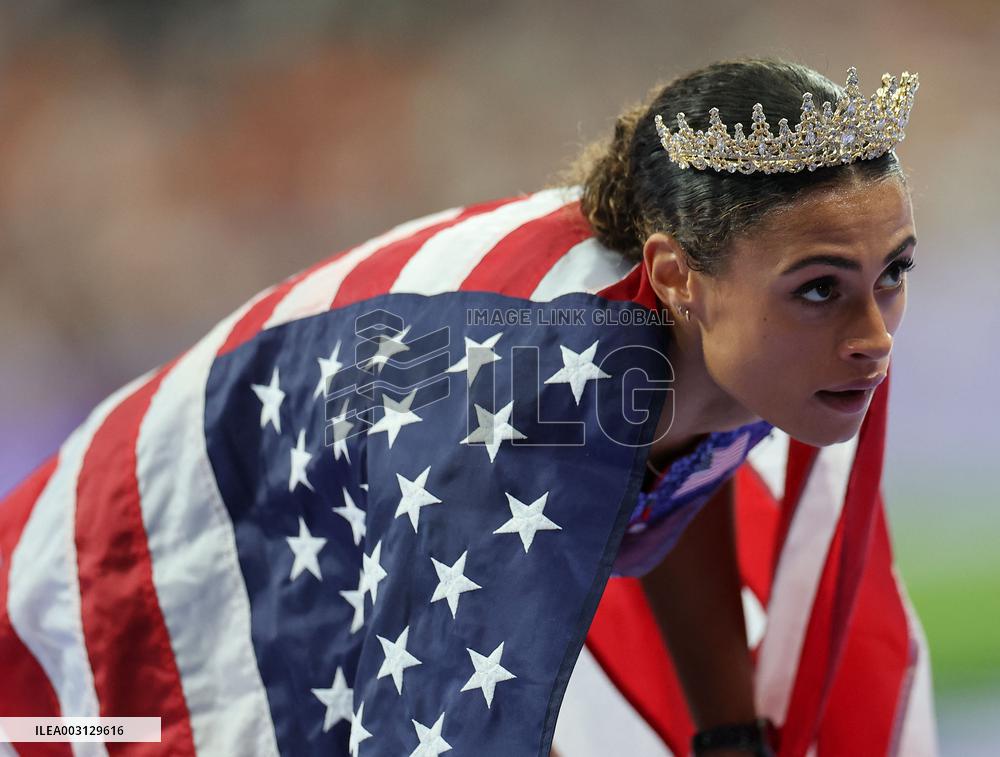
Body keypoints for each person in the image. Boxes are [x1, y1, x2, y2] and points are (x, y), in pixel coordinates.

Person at [0, 57, 933, 757]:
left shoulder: (744, 323)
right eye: (822, 288)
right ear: (675, 278)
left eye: (893, 274)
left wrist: (730, 733)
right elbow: (436, 726)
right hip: (131, 570)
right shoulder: (538, 413)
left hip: (315, 536)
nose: (874, 335)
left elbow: (694, 461)